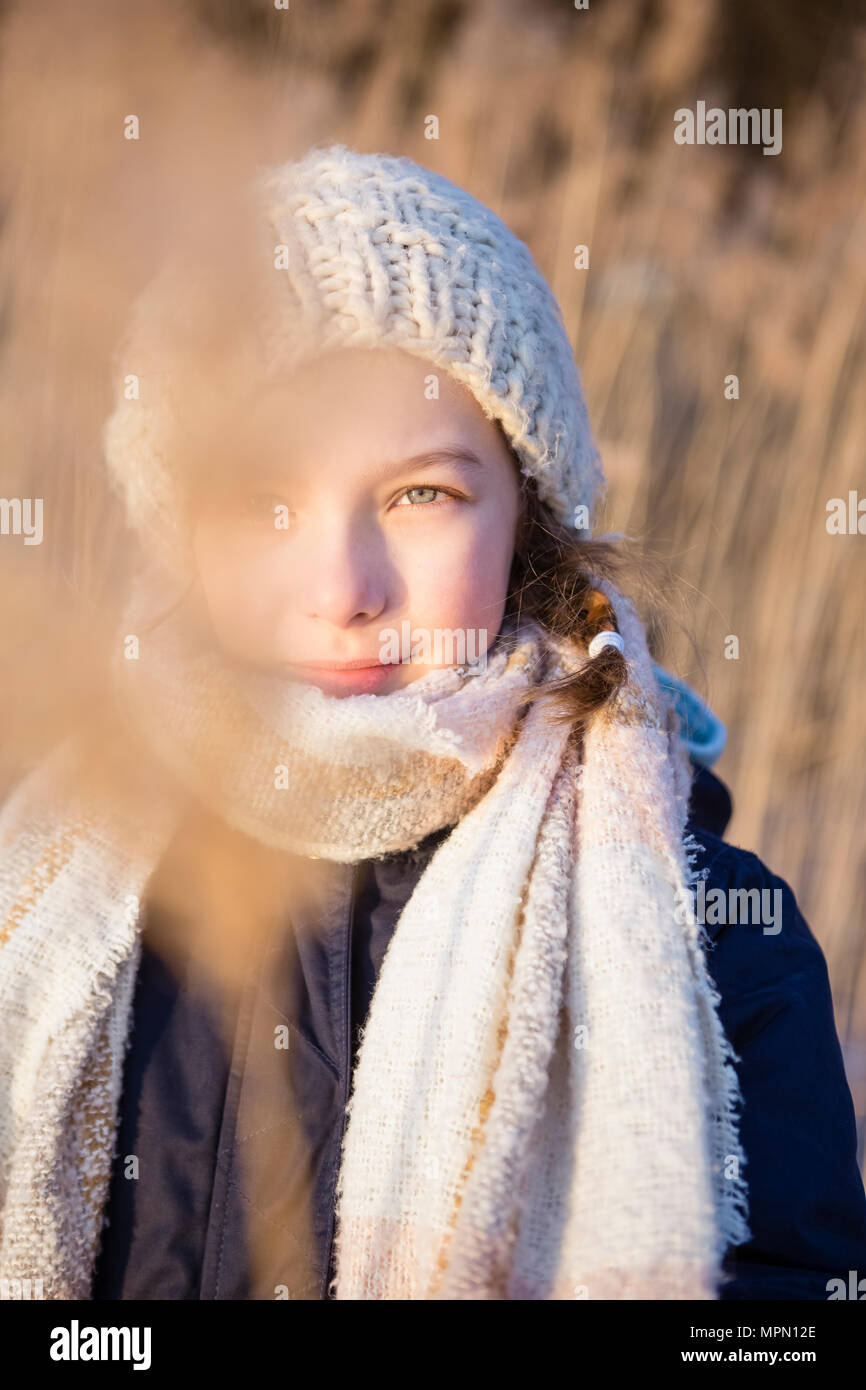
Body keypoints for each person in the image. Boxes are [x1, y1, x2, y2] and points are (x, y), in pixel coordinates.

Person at [1, 143, 864, 1302]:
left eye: (421, 495)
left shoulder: (711, 934)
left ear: (529, 516)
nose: (342, 586)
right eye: (265, 502)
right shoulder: (49, 906)